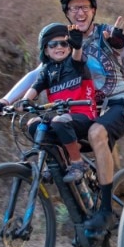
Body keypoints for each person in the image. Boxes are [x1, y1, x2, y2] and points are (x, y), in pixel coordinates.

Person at [0, 0, 124, 235]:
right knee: (45, 128)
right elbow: (36, 75)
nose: (79, 12)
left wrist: (120, 44)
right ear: (67, 13)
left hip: (118, 104)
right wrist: (6, 100)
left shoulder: (105, 32)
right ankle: (79, 191)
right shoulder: (64, 41)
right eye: (73, 8)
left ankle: (105, 211)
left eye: (85, 7)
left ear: (93, 10)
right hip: (84, 109)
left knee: (96, 133)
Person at [17, 22, 97, 183]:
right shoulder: (47, 70)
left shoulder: (75, 63)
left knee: (60, 121)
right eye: (53, 44)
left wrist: (77, 46)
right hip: (59, 117)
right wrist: (24, 101)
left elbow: (77, 56)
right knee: (34, 124)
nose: (59, 47)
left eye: (64, 43)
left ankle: (77, 163)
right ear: (46, 50)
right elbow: (36, 87)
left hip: (83, 115)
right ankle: (57, 162)